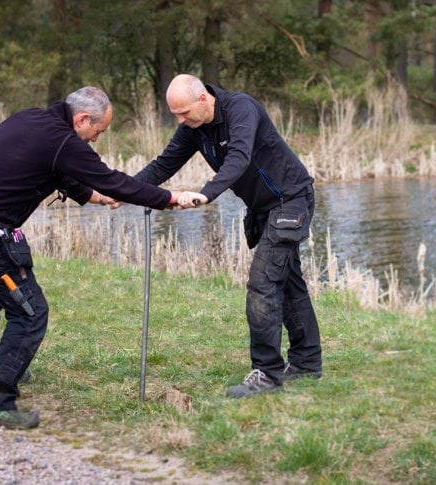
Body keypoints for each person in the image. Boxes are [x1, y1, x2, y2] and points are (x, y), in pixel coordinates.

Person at [0, 86, 183, 429]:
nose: (97, 139)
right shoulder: (64, 141)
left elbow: (59, 172)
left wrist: (95, 198)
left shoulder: (32, 120)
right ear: (82, 119)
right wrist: (167, 198)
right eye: (98, 131)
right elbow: (113, 180)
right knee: (30, 313)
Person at [135, 74, 323, 398]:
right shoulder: (193, 129)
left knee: (263, 284)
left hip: (290, 200)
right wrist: (119, 190)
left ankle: (267, 374)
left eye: (183, 113)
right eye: (175, 115)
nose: (180, 121)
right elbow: (163, 165)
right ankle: (306, 363)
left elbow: (239, 157)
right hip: (264, 209)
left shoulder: (241, 109)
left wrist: (207, 194)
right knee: (288, 283)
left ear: (203, 100)